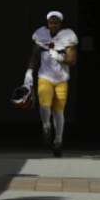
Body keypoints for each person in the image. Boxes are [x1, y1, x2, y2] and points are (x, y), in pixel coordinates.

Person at [23, 10, 78, 157]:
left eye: (56, 22)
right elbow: (34, 56)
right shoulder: (41, 35)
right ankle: (46, 125)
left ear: (61, 23)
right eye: (50, 22)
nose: (53, 24)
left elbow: (72, 60)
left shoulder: (68, 36)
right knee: (45, 106)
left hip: (61, 78)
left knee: (59, 111)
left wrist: (60, 57)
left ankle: (58, 140)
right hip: (44, 76)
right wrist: (29, 72)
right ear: (47, 23)